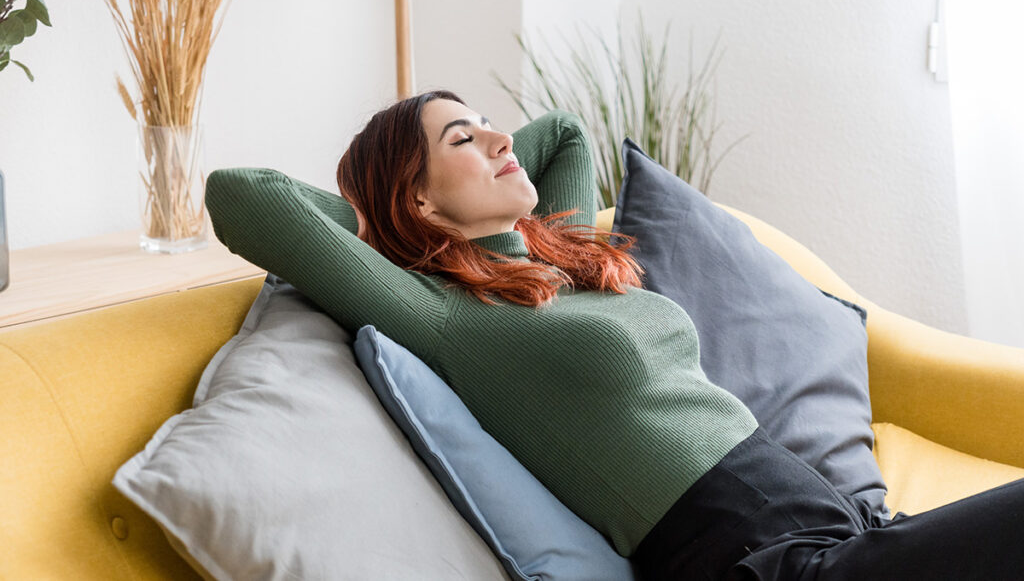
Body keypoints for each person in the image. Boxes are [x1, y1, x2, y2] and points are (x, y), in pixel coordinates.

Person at [206, 90, 1024, 580]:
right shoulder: (446, 314)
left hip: (843, 529)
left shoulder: (556, 266)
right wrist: (376, 218)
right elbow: (243, 195)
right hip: (763, 563)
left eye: (492, 123)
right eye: (465, 138)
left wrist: (464, 156)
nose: (499, 138)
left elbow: (561, 132)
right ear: (417, 201)